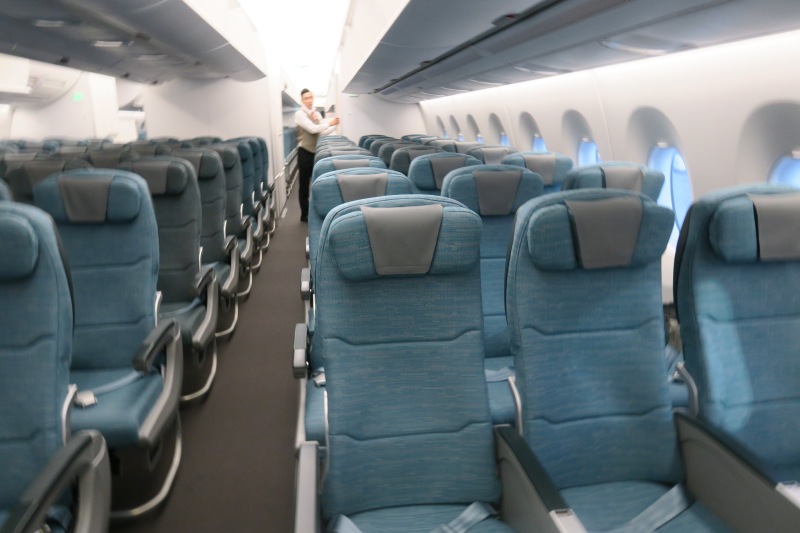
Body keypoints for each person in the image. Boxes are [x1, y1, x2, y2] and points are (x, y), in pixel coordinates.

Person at [295, 88, 340, 222]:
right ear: (302, 100)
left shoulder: (316, 114)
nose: (309, 100)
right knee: (304, 185)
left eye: (310, 97)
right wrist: (330, 123)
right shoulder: (300, 114)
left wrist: (335, 126)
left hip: (316, 153)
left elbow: (322, 132)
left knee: (316, 183)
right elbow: (312, 129)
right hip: (304, 152)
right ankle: (304, 214)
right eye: (306, 98)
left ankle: (316, 211)